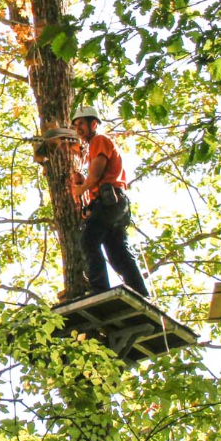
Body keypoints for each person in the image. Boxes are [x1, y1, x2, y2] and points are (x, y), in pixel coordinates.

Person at [69, 105, 149, 297]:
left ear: (93, 123)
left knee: (88, 240)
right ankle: (141, 293)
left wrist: (81, 187)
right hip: (114, 204)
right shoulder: (94, 146)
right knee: (118, 254)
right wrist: (84, 182)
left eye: (81, 123)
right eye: (76, 125)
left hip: (110, 201)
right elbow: (95, 176)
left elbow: (96, 174)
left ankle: (99, 289)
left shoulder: (99, 140)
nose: (78, 129)